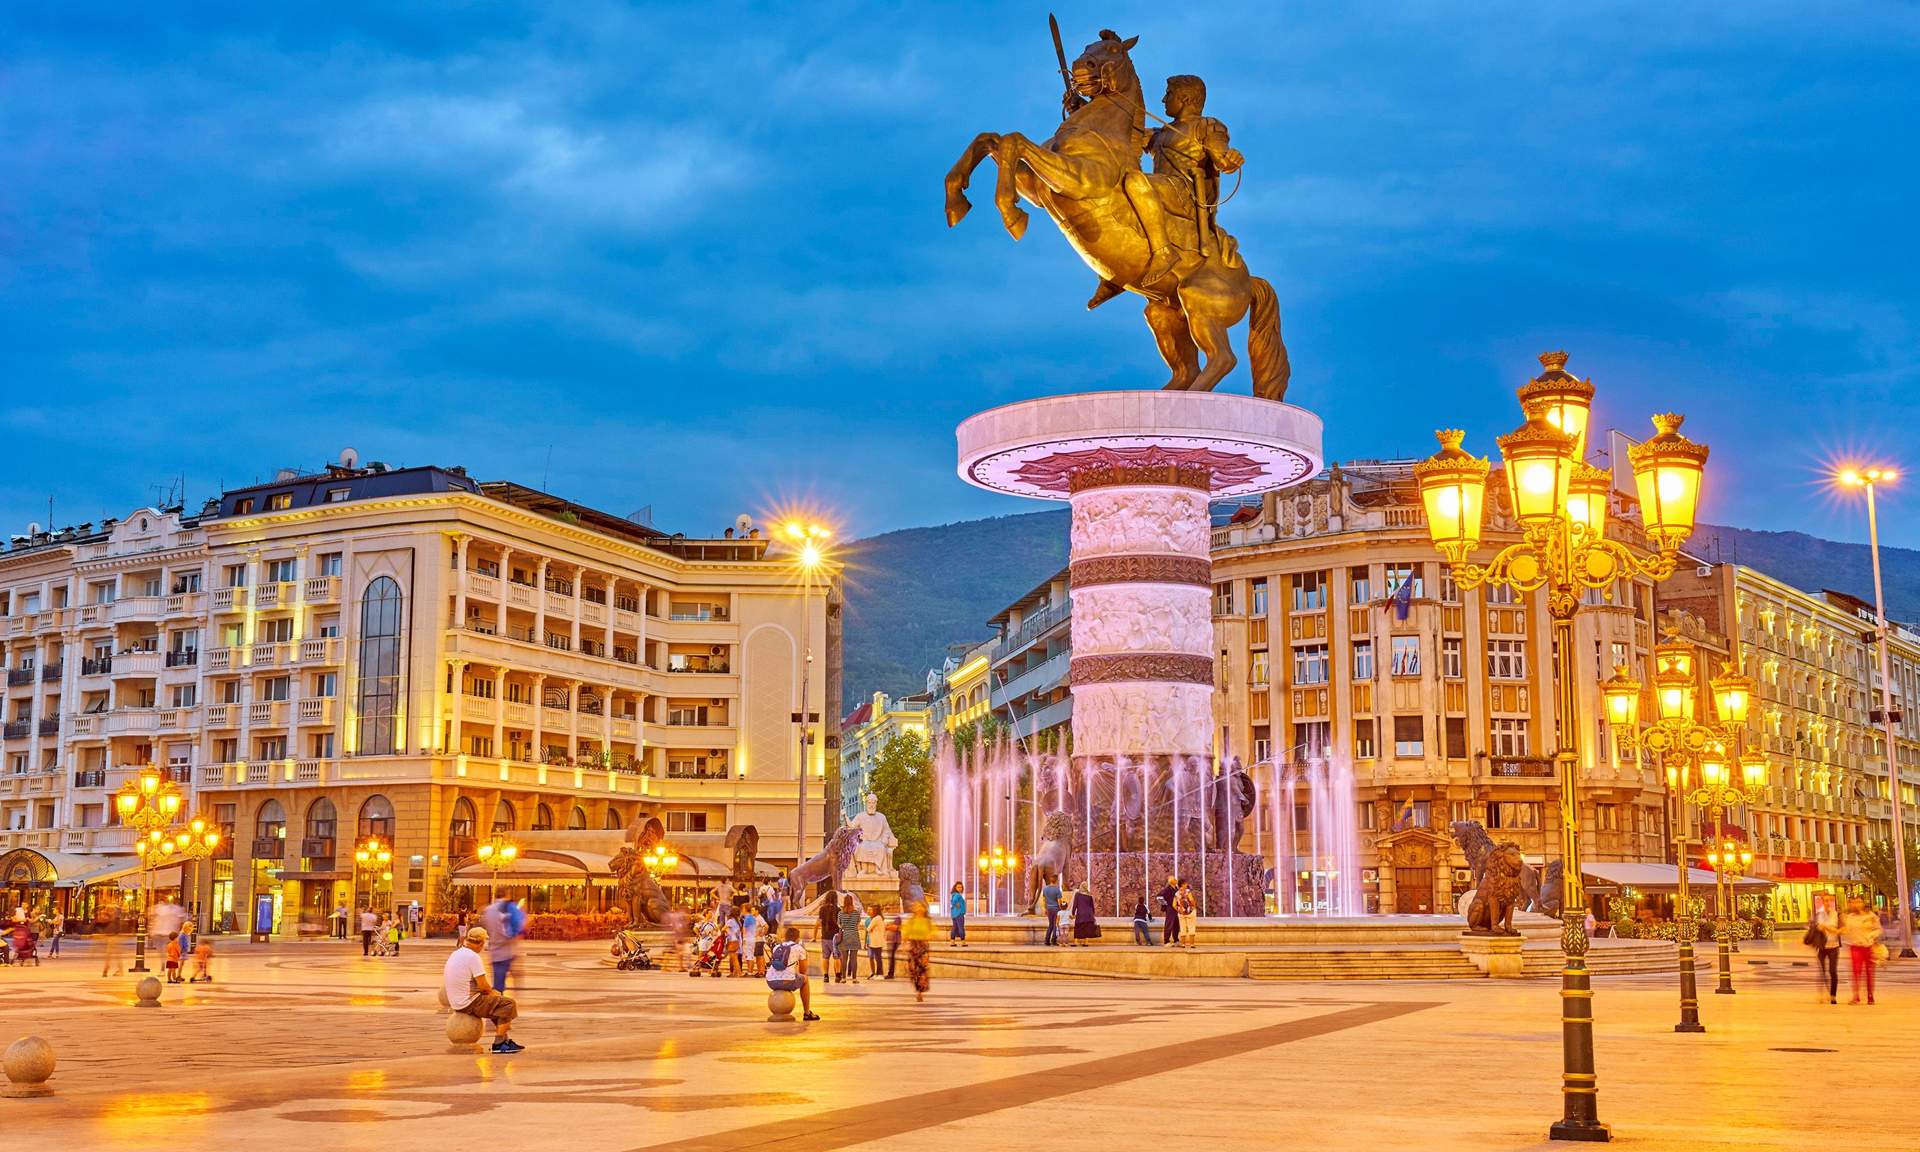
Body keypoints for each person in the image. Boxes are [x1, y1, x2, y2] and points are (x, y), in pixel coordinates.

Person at [445, 926, 522, 1053]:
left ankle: (505, 1040)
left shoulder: (457, 953)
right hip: (469, 1002)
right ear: (480, 943)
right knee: (508, 1004)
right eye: (484, 943)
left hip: (456, 1001)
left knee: (496, 1004)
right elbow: (483, 986)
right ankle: (499, 1043)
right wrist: (494, 992)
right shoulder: (473, 957)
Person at [765, 925, 820, 1022]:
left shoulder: (777, 947)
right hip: (787, 981)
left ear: (785, 937)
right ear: (798, 938)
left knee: (796, 977)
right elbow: (803, 970)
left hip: (770, 981)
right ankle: (807, 1013)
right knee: (805, 979)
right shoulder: (799, 948)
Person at [1840, 895, 1882, 1005]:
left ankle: (1870, 995)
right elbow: (1846, 931)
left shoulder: (1870, 916)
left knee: (1869, 972)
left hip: (1868, 947)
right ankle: (1856, 996)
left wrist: (1871, 935)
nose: (1856, 905)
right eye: (1853, 902)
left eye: (1858, 902)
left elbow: (1878, 929)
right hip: (1855, 947)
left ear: (1863, 903)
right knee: (1856, 972)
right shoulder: (1849, 917)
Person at [1807, 898, 1841, 1005]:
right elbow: (1820, 928)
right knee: (1822, 972)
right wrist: (1830, 928)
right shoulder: (1819, 915)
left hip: (1833, 947)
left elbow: (1840, 930)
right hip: (1822, 947)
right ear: (1822, 902)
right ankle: (1822, 994)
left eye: (1829, 901)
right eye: (1825, 901)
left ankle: (1833, 996)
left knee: (1833, 971)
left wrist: (1828, 928)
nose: (1827, 903)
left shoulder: (1836, 915)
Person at [903, 901, 934, 1002]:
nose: (918, 909)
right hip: (913, 946)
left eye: (920, 907)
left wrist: (927, 937)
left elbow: (932, 933)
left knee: (922, 969)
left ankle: (919, 992)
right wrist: (904, 944)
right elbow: (906, 933)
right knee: (913, 969)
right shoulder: (911, 921)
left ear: (924, 909)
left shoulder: (927, 921)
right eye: (916, 907)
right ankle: (917, 988)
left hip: (923, 946)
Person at [837, 893, 862, 984]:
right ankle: (854, 978)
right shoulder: (856, 913)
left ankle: (843, 978)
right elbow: (858, 923)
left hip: (845, 936)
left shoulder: (840, 913)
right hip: (854, 936)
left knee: (844, 958)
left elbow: (839, 924)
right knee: (854, 959)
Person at [817, 892, 840, 979]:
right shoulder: (838, 910)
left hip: (825, 936)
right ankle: (838, 975)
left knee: (825, 957)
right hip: (835, 937)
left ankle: (826, 976)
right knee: (836, 957)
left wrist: (814, 936)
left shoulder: (822, 909)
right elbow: (840, 924)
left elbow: (818, 923)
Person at [740, 904, 764, 977]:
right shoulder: (753, 918)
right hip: (753, 938)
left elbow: (744, 929)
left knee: (749, 955)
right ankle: (750, 971)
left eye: (742, 909)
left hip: (748, 938)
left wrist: (744, 938)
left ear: (745, 909)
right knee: (750, 955)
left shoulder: (748, 918)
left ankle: (750, 971)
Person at [1174, 881, 1198, 949]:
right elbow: (1191, 900)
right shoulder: (1187, 891)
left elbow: (1174, 904)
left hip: (1181, 913)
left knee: (1182, 928)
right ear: (1183, 884)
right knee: (1191, 927)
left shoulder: (1176, 893)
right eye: (1185, 883)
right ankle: (1192, 944)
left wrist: (1179, 910)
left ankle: (1183, 944)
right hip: (1190, 912)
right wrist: (1194, 907)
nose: (1187, 884)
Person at [864, 904, 885, 978]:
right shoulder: (879, 918)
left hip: (876, 941)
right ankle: (877, 973)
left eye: (870, 910)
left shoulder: (876, 919)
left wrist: (871, 929)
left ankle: (880, 974)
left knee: (878, 958)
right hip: (876, 941)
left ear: (875, 911)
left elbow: (868, 929)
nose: (868, 911)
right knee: (878, 958)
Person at [1041, 876, 1064, 947]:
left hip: (1049, 909)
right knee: (1055, 925)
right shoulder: (1057, 890)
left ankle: (1046, 940)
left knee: (1050, 924)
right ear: (1056, 881)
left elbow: (1044, 900)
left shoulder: (1045, 889)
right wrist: (1062, 908)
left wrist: (1045, 908)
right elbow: (1059, 901)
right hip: (1056, 909)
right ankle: (1053, 940)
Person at [1159, 876, 1180, 947]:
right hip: (1170, 908)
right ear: (1171, 881)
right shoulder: (1167, 889)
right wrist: (1165, 905)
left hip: (1175, 909)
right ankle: (1166, 941)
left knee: (1176, 925)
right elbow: (1159, 896)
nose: (1176, 880)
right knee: (1169, 925)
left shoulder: (1176, 888)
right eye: (1174, 879)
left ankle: (1176, 940)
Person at [948, 883, 968, 947]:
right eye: (958, 887)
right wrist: (957, 905)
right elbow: (954, 901)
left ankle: (952, 942)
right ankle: (963, 942)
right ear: (955, 888)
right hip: (959, 914)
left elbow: (952, 901)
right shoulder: (957, 895)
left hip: (954, 914)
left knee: (954, 928)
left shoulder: (954, 894)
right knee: (961, 927)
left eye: (961, 887)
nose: (960, 888)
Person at [723, 913, 742, 977]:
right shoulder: (738, 922)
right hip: (737, 940)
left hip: (732, 940)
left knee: (734, 958)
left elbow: (723, 928)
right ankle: (735, 973)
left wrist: (726, 931)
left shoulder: (730, 921)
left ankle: (739, 973)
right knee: (734, 958)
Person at [884, 911, 902, 979]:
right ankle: (890, 973)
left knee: (891, 957)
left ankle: (891, 974)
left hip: (895, 940)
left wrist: (888, 926)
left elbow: (895, 928)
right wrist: (889, 926)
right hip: (890, 940)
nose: (888, 909)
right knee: (890, 957)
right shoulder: (889, 918)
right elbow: (885, 927)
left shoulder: (897, 917)